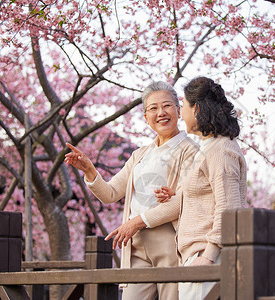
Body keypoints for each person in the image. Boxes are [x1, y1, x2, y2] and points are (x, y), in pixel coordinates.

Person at [64, 81, 199, 300]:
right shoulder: (139, 155)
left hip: (171, 242)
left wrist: (135, 222)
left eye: (167, 106)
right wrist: (89, 170)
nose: (161, 112)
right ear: (146, 118)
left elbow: (184, 201)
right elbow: (110, 194)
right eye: (153, 108)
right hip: (135, 246)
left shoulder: (190, 151)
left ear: (178, 110)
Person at [156, 76, 247, 300]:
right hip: (199, 256)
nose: (181, 113)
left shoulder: (220, 150)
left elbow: (229, 209)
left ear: (196, 108)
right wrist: (181, 196)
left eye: (183, 106)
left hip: (208, 258)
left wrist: (207, 257)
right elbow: (211, 196)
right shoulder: (210, 148)